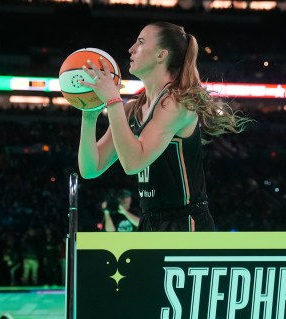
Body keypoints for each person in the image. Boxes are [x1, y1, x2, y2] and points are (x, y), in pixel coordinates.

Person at [78, 21, 250, 231]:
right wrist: (88, 117)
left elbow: (133, 163)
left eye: (140, 43)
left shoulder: (176, 103)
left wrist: (113, 101)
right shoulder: (132, 109)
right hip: (149, 221)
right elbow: (90, 168)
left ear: (161, 55)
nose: (131, 49)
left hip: (186, 223)